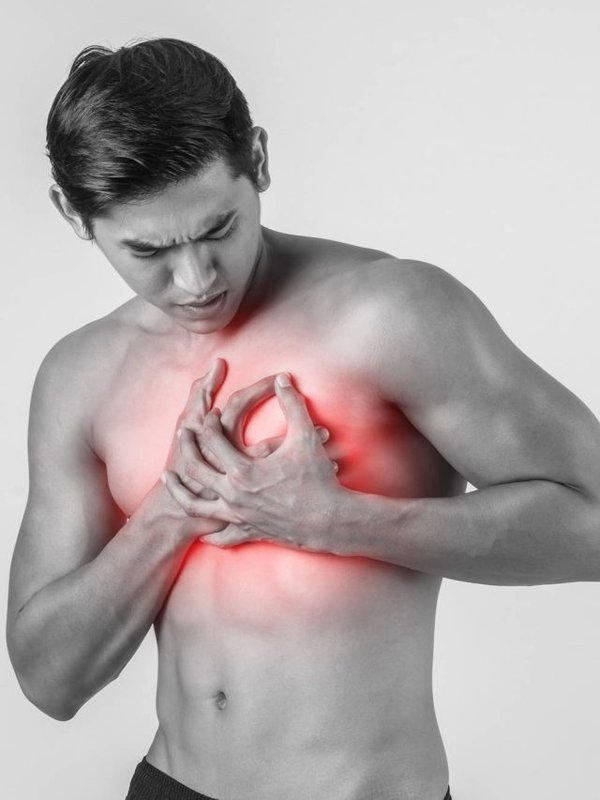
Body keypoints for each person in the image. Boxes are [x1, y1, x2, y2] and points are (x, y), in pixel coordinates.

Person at [6, 37, 600, 800]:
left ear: (255, 158)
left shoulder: (392, 312)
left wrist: (337, 523)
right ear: (73, 215)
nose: (195, 280)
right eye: (148, 249)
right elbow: (49, 680)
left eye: (218, 229)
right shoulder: (79, 376)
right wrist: (170, 512)